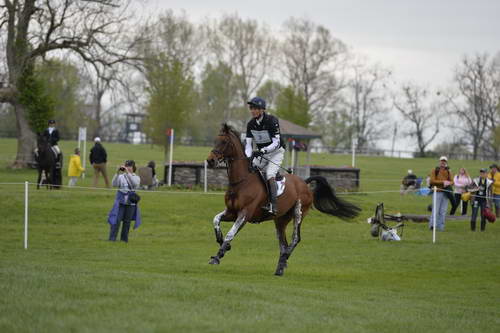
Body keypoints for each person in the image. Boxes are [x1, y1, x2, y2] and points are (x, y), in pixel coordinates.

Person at [244, 96, 285, 215]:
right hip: (262, 153)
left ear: (262, 110)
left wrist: (263, 151)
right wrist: (248, 157)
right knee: (250, 169)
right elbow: (248, 144)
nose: (252, 110)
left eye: (255, 108)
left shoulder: (272, 120)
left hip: (276, 152)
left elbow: (276, 143)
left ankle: (273, 205)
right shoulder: (251, 124)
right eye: (251, 108)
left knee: (269, 174)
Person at [107, 160, 141, 242]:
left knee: (127, 222)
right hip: (120, 201)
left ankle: (124, 240)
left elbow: (134, 184)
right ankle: (112, 239)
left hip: (131, 203)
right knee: (117, 220)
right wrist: (117, 173)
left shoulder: (136, 177)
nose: (128, 167)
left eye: (130, 166)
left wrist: (127, 173)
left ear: (133, 168)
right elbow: (114, 184)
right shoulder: (121, 176)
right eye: (127, 166)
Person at [428, 156, 454, 231]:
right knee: (435, 210)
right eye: (442, 161)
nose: (443, 162)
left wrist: (448, 183)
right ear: (439, 162)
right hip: (437, 192)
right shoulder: (435, 170)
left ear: (446, 162)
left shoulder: (449, 171)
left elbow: (452, 181)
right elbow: (432, 181)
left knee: (443, 211)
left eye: (444, 161)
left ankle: (441, 227)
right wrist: (443, 182)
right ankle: (432, 225)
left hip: (446, 193)